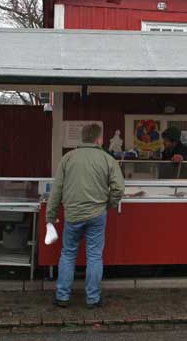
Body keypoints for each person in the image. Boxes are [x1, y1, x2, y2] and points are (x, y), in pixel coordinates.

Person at [46, 124, 125, 309]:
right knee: (94, 256)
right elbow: (119, 188)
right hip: (97, 214)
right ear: (99, 139)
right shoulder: (107, 159)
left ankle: (62, 296)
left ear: (82, 138)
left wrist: (51, 216)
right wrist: (108, 205)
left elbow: (56, 190)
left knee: (68, 254)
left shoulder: (68, 158)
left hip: (73, 215)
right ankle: (93, 299)